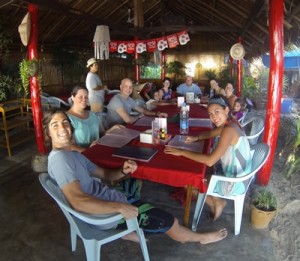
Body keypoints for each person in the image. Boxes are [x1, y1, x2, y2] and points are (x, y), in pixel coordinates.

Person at [43, 108, 228, 244]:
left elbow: (105, 174)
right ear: (48, 133)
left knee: (135, 178)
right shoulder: (61, 160)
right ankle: (201, 238)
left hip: (106, 196)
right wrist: (120, 207)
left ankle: (127, 229)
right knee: (170, 221)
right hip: (104, 214)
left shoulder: (73, 155)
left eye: (65, 122)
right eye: (55, 125)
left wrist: (123, 170)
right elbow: (78, 201)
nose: (62, 128)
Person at [164, 95, 252, 221]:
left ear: (226, 110)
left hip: (235, 183)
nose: (213, 117)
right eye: (210, 113)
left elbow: (210, 161)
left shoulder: (229, 130)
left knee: (188, 181)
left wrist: (181, 151)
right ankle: (215, 199)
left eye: (217, 112)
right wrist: (197, 138)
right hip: (240, 175)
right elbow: (212, 133)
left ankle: (217, 202)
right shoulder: (231, 123)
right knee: (199, 171)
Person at [67, 86, 123, 153]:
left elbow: (101, 134)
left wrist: (113, 128)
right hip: (82, 157)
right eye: (80, 97)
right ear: (73, 97)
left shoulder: (92, 115)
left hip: (97, 152)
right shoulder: (67, 118)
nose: (84, 99)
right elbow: (69, 146)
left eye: (86, 97)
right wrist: (89, 151)